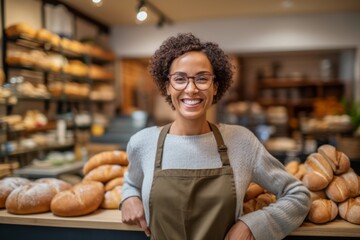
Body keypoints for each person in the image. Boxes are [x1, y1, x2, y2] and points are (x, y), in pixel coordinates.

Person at [120, 33, 311, 240]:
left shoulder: (241, 141)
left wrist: (253, 225)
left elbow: (298, 195)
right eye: (180, 79)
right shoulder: (143, 143)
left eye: (202, 78)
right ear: (167, 86)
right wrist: (129, 197)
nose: (191, 89)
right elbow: (131, 182)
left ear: (215, 86)